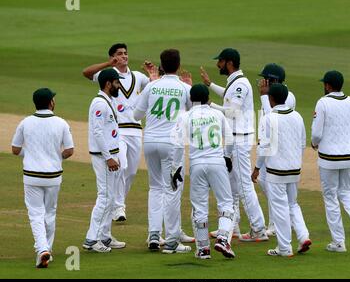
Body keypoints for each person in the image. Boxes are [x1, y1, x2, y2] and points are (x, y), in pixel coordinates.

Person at [200, 48, 268, 242]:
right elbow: (228, 97)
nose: (217, 65)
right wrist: (210, 84)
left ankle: (258, 229)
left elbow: (231, 112)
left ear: (229, 62)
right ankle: (233, 226)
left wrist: (209, 105)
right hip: (233, 139)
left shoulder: (240, 84)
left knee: (244, 186)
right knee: (230, 184)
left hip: (239, 139)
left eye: (220, 61)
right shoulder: (236, 83)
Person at [82, 43, 152, 222]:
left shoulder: (138, 76)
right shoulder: (108, 75)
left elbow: (154, 87)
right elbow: (87, 73)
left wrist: (153, 75)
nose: (124, 56)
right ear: (113, 57)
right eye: (119, 54)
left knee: (131, 173)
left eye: (125, 53)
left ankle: (117, 203)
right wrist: (107, 64)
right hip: (118, 130)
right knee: (122, 166)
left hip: (136, 129)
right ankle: (118, 207)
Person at [134, 49, 192, 254]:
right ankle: (172, 241)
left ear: (161, 65)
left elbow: (136, 114)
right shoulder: (184, 88)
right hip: (172, 144)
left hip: (149, 140)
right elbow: (194, 113)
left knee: (155, 188)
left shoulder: (152, 86)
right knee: (172, 189)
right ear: (178, 65)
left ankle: (154, 235)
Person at [171, 84, 236, 259]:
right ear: (208, 98)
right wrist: (228, 157)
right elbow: (230, 139)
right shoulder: (217, 114)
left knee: (199, 207)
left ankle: (203, 249)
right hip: (217, 162)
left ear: (191, 100)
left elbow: (177, 145)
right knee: (226, 203)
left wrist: (176, 168)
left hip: (196, 164)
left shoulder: (185, 116)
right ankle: (223, 238)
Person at [11, 88, 74, 268]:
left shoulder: (25, 122)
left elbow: (15, 150)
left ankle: (42, 249)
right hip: (54, 176)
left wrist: (30, 154)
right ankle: (47, 250)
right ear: (50, 102)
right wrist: (55, 158)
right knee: (50, 213)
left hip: (32, 176)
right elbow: (69, 151)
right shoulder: (61, 122)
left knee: (35, 214)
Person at [251, 83, 310, 257]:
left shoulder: (268, 118)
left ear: (271, 99)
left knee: (280, 208)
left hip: (276, 171)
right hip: (294, 169)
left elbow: (264, 148)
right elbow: (301, 143)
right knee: (293, 204)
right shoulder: (297, 116)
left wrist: (256, 168)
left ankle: (284, 248)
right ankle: (303, 236)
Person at [311, 70, 350, 252]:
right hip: (348, 156)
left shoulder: (323, 102)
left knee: (330, 197)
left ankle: (339, 242)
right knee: (346, 193)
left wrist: (314, 143)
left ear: (327, 85)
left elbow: (317, 133)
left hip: (328, 158)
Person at [83, 69, 127, 253]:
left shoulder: (108, 101)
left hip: (111, 155)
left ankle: (105, 236)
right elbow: (98, 132)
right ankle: (92, 239)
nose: (119, 85)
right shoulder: (99, 103)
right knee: (105, 197)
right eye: (117, 82)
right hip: (104, 157)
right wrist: (109, 158)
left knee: (110, 197)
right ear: (108, 84)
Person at [257, 63, 296, 237]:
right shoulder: (270, 95)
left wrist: (264, 97)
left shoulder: (287, 96)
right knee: (266, 183)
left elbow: (270, 115)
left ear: (273, 80)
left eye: (265, 79)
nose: (262, 82)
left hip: (280, 149)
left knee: (273, 186)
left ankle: (277, 223)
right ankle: (280, 220)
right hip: (271, 145)